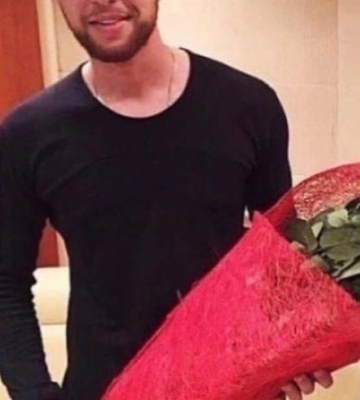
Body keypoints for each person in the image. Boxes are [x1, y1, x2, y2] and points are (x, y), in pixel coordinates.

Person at [0, 1, 333, 400]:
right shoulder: (29, 133)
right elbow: (5, 281)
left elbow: (283, 255)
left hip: (235, 386)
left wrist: (295, 353)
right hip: (104, 390)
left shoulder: (248, 105)